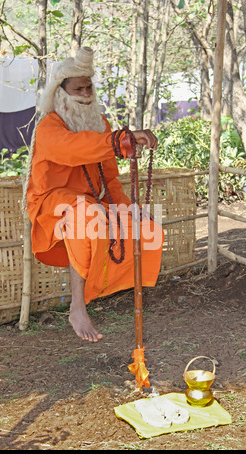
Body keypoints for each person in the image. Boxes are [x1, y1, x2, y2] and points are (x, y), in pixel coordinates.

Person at [24, 47, 164, 343]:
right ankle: (77, 306)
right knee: (86, 214)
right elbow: (75, 149)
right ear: (60, 92)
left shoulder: (101, 124)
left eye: (89, 87)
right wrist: (120, 140)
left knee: (145, 223)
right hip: (51, 203)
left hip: (93, 201)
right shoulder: (48, 126)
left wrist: (128, 208)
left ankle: (109, 286)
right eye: (78, 88)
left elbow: (109, 177)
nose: (85, 94)